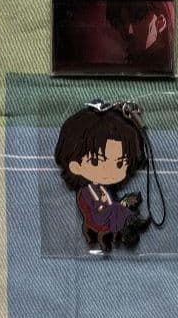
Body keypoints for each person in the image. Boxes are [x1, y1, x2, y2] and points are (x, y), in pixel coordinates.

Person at [54, 104, 149, 252]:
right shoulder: (86, 191)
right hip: (97, 217)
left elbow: (109, 200)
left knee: (119, 208)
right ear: (75, 166)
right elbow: (90, 207)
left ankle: (131, 223)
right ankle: (127, 226)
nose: (109, 170)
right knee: (117, 209)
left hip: (108, 211)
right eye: (95, 161)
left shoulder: (103, 188)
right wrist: (103, 205)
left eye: (120, 163)